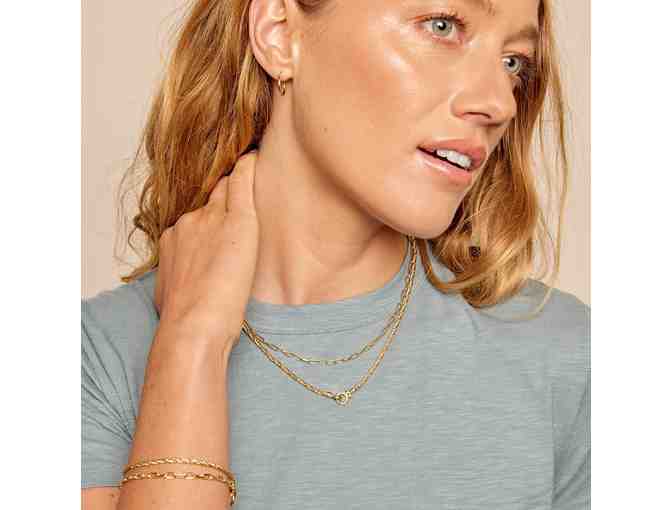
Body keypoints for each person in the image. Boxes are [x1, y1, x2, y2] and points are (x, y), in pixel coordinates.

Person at [82, 0, 590, 508]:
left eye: (513, 61)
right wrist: (191, 343)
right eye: (442, 26)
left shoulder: (568, 359)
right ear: (280, 33)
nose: (498, 103)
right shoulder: (95, 359)